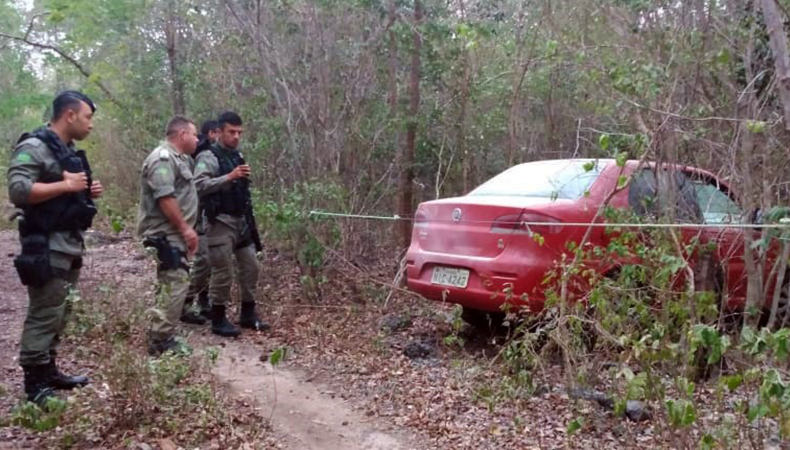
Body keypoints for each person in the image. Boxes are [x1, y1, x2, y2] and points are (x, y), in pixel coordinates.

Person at [7, 90, 103, 405]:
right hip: (45, 245)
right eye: (88, 117)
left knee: (61, 311)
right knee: (45, 311)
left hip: (68, 243)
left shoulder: (66, 150)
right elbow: (19, 190)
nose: (91, 125)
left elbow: (67, 192)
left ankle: (48, 370)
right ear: (70, 115)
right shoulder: (33, 147)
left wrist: (86, 192)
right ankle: (35, 385)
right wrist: (66, 186)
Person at [194, 111, 267, 337]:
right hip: (219, 221)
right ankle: (218, 318)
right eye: (231, 132)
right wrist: (229, 177)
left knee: (251, 266)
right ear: (219, 132)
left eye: (239, 133)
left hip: (241, 221)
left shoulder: (238, 155)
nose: (236, 137)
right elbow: (199, 185)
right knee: (222, 270)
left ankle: (248, 312)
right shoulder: (208, 156)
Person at [136, 116, 199, 355]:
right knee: (175, 284)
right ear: (182, 134)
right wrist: (185, 228)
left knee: (172, 284)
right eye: (194, 134)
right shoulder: (162, 159)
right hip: (165, 234)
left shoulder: (180, 160)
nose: (196, 139)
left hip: (175, 234)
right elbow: (165, 197)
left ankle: (161, 333)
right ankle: (160, 341)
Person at [180, 119, 220, 324]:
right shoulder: (204, 154)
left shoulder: (208, 151)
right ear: (213, 133)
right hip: (198, 215)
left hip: (209, 216)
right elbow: (199, 185)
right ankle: (183, 303)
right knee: (203, 261)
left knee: (210, 262)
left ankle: (203, 302)